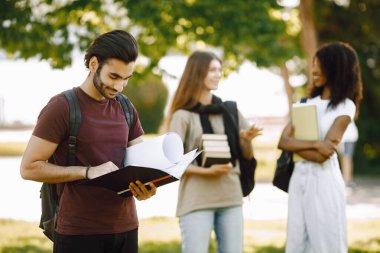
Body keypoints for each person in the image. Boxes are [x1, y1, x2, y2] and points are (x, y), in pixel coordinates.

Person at [20, 30, 157, 253]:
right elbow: (28, 168)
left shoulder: (126, 107)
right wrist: (87, 172)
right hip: (79, 233)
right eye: (114, 77)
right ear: (94, 64)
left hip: (127, 229)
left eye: (126, 79)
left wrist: (147, 186)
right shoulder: (62, 107)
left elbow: (139, 163)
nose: (120, 86)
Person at [165, 51, 262, 253]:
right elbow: (171, 163)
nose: (218, 74)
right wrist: (207, 172)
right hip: (196, 200)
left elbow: (246, 156)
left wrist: (247, 141)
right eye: (212, 70)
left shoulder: (230, 110)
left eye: (220, 70)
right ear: (197, 72)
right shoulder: (182, 116)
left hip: (231, 196)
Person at [278, 41, 363, 253]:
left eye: (319, 64)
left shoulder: (345, 106)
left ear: (336, 67)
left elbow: (322, 157)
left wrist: (297, 146)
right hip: (299, 179)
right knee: (296, 242)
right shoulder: (307, 102)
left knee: (326, 243)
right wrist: (316, 144)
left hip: (324, 181)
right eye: (313, 63)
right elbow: (282, 141)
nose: (314, 70)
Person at [338, 121, 359, 187]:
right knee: (346, 158)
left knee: (346, 158)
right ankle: (347, 179)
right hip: (347, 137)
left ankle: (347, 180)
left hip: (346, 137)